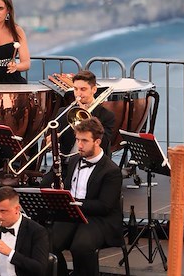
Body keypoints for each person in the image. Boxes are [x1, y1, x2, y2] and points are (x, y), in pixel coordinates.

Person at [51, 117, 123, 276]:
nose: (79, 145)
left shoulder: (111, 171)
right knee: (48, 243)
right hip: (74, 213)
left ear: (97, 142)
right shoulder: (75, 159)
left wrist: (75, 203)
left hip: (99, 218)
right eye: (77, 139)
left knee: (81, 247)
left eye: (84, 140)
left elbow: (104, 206)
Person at [0, 186, 49, 276]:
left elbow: (40, 269)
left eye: (3, 211)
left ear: (17, 209)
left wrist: (10, 253)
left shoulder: (36, 231)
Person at [56, 70, 115, 158]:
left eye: (83, 89)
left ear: (94, 89)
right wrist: (52, 140)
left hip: (94, 165)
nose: (78, 93)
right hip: (66, 166)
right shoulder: (64, 112)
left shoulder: (106, 115)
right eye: (75, 89)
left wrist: (87, 120)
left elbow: (102, 144)